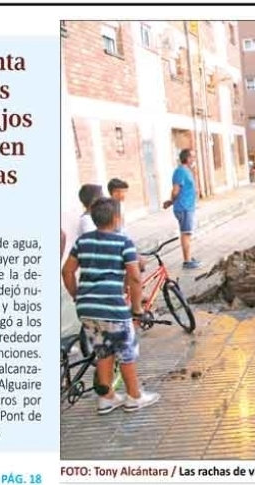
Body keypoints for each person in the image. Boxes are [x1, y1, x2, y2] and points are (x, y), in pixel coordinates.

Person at [61, 197, 160, 414]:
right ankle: (134, 396)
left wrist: (77, 296)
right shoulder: (123, 242)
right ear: (117, 218)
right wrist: (136, 308)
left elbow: (67, 271)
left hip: (87, 309)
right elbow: (134, 277)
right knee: (126, 351)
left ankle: (106, 398)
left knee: (103, 349)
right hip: (112, 307)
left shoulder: (82, 242)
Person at [162, 149, 201, 269]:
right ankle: (187, 261)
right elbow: (175, 190)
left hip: (188, 206)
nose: (194, 159)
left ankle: (189, 256)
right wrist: (170, 202)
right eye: (193, 157)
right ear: (187, 158)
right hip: (184, 207)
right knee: (186, 233)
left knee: (188, 233)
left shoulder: (187, 170)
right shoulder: (179, 172)